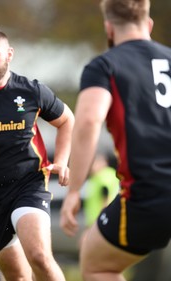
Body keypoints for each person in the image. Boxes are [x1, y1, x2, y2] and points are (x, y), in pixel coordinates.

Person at [59, 0, 171, 280]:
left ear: (109, 28)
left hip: (150, 193)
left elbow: (87, 121)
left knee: (97, 264)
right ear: (149, 25)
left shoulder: (105, 65)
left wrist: (74, 191)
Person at [0, 28, 74, 281]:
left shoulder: (31, 91)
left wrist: (62, 160)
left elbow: (67, 120)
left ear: (9, 54)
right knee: (17, 276)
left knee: (39, 257)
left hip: (29, 184)